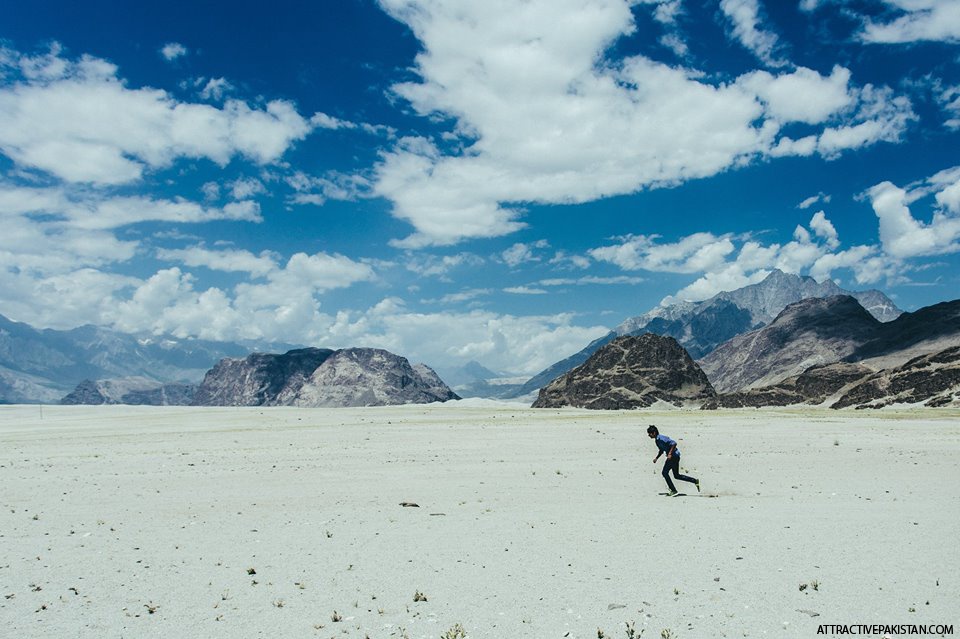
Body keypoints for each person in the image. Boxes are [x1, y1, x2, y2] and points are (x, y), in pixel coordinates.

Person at [647, 425, 700, 496]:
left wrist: (669, 454)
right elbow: (661, 450)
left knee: (664, 473)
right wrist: (656, 458)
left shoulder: (662, 438)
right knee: (676, 475)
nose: (648, 435)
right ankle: (695, 481)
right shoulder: (657, 441)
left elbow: (674, 443)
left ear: (654, 433)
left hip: (674, 457)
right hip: (674, 457)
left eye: (649, 433)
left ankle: (673, 490)